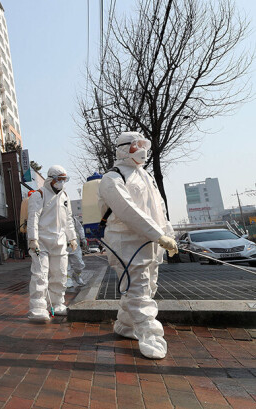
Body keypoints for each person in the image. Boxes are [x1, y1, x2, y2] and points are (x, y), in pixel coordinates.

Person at [98, 131, 177, 359]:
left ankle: (125, 325)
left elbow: (159, 209)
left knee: (146, 287)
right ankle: (150, 336)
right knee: (139, 289)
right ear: (123, 148)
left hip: (150, 242)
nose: (142, 149)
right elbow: (127, 210)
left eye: (144, 144)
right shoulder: (111, 178)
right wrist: (157, 234)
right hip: (126, 242)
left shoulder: (146, 176)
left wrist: (167, 234)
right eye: (136, 145)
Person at [26, 165, 77, 321]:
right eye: (59, 179)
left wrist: (72, 237)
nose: (62, 183)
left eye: (64, 179)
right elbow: (33, 218)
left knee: (60, 274)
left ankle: (57, 303)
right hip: (41, 242)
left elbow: (68, 219)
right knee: (40, 275)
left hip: (60, 242)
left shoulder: (65, 197)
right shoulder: (39, 195)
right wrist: (33, 239)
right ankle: (37, 308)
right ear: (51, 179)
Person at [66, 217, 86, 288]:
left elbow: (80, 228)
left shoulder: (72, 218)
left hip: (75, 246)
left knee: (79, 264)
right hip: (62, 246)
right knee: (65, 266)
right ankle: (68, 279)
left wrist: (83, 238)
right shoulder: (54, 217)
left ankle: (77, 275)